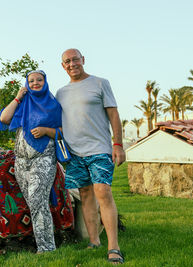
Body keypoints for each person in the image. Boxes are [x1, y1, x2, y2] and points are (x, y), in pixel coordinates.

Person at [55, 49, 126, 264]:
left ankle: (114, 246)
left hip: (99, 149)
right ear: (63, 66)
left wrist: (118, 144)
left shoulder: (100, 83)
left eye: (75, 59)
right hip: (74, 153)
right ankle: (94, 240)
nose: (72, 64)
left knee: (102, 192)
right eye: (67, 61)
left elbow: (113, 114)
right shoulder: (61, 93)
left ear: (83, 60)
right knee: (85, 194)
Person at [0, 70, 61, 253]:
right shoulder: (23, 103)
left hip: (43, 158)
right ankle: (41, 242)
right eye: (31, 81)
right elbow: (4, 118)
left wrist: (47, 130)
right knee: (33, 203)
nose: (35, 83)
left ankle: (46, 248)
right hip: (21, 162)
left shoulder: (53, 105)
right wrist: (18, 97)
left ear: (45, 82)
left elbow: (64, 131)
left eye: (39, 80)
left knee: (37, 200)